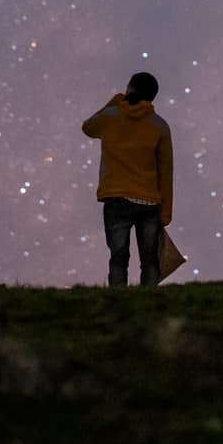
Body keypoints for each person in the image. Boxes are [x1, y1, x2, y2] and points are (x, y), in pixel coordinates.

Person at [81, 71, 174, 287]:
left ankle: (118, 299)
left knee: (118, 257)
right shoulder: (160, 126)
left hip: (117, 198)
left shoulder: (110, 116)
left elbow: (88, 128)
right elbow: (166, 171)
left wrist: (114, 101)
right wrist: (166, 212)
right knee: (150, 259)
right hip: (149, 201)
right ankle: (148, 299)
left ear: (130, 88)